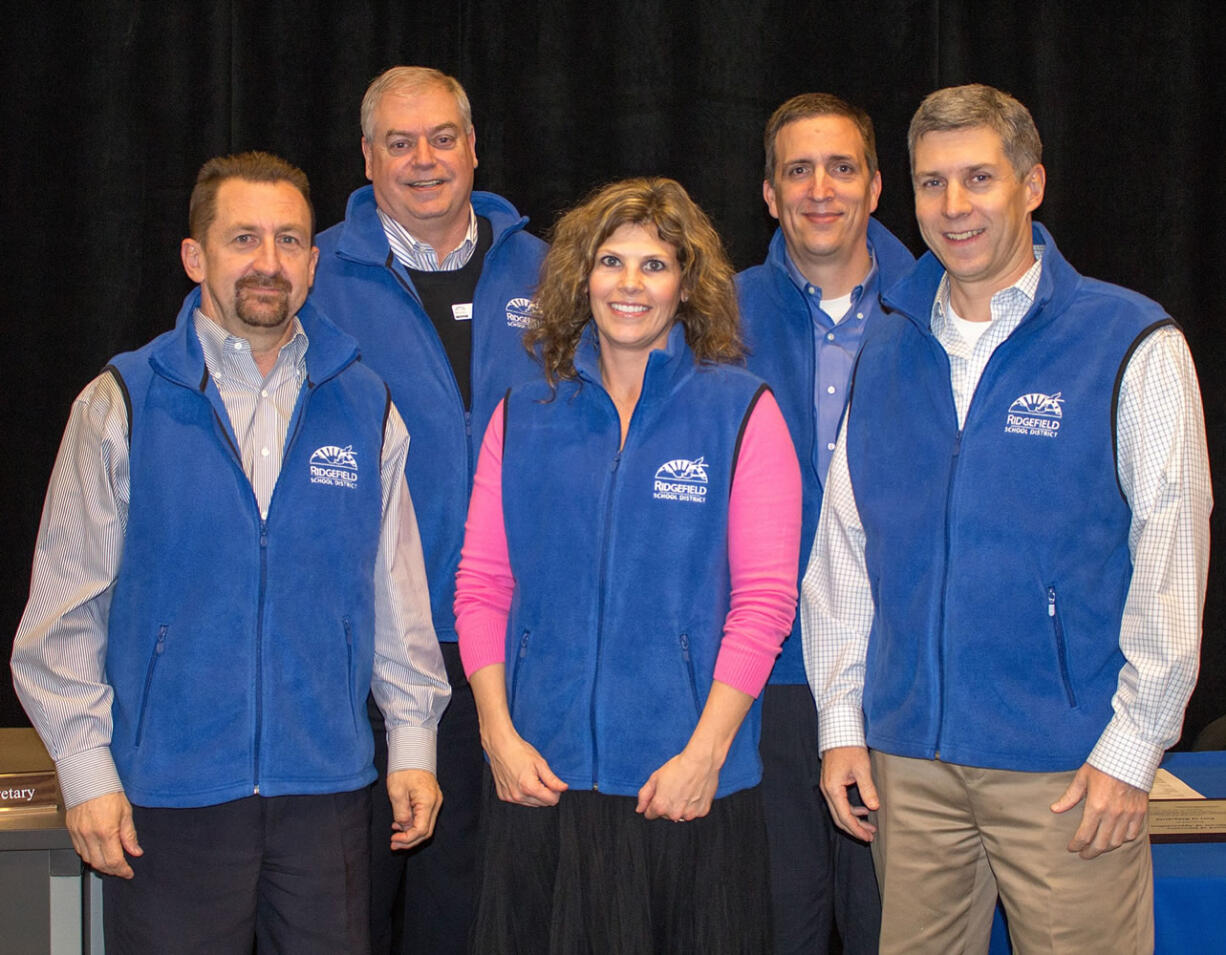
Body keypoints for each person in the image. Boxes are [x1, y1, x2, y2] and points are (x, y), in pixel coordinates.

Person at [803, 84, 1211, 954]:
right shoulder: (885, 346)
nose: (954, 208)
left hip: (1067, 769)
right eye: (932, 183)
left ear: (1032, 184)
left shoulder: (1130, 341)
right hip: (910, 767)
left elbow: (1174, 550)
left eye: (979, 178)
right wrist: (843, 728)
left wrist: (1132, 747)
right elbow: (843, 557)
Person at [9, 152, 451, 953]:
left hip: (327, 795)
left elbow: (398, 599)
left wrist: (413, 747)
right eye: (243, 237)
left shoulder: (365, 403)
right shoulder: (121, 403)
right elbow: (64, 614)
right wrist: (86, 770)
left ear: (314, 264)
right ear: (195, 256)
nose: (268, 262)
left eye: (288, 240)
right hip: (168, 802)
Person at [454, 177, 802, 953]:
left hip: (682, 786)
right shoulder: (522, 413)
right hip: (541, 781)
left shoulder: (741, 410)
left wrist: (703, 755)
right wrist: (498, 736)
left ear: (686, 284)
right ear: (582, 276)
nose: (630, 284)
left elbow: (766, 601)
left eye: (655, 264)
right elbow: (482, 583)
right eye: (611, 261)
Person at [309, 66, 547, 953]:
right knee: (344, 907)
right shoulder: (313, 275)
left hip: (510, 647)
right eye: (399, 143)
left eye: (443, 137)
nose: (424, 160)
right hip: (363, 651)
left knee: (478, 909)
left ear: (474, 148)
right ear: (367, 159)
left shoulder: (551, 272)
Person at [735, 92, 914, 955]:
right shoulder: (713, 319)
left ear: (876, 186)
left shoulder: (938, 317)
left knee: (894, 928)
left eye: (841, 168)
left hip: (898, 677)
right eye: (797, 170)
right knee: (776, 923)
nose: (819, 189)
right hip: (762, 681)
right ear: (769, 193)